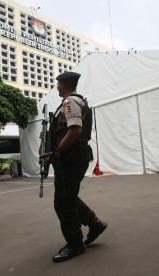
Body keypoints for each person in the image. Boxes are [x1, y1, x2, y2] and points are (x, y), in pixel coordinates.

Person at [47, 71, 107, 262]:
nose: (56, 87)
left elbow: (75, 130)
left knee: (63, 202)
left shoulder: (69, 102)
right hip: (72, 156)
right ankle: (94, 223)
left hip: (70, 157)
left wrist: (57, 151)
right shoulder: (73, 102)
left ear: (63, 84)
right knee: (68, 196)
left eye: (57, 84)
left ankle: (75, 244)